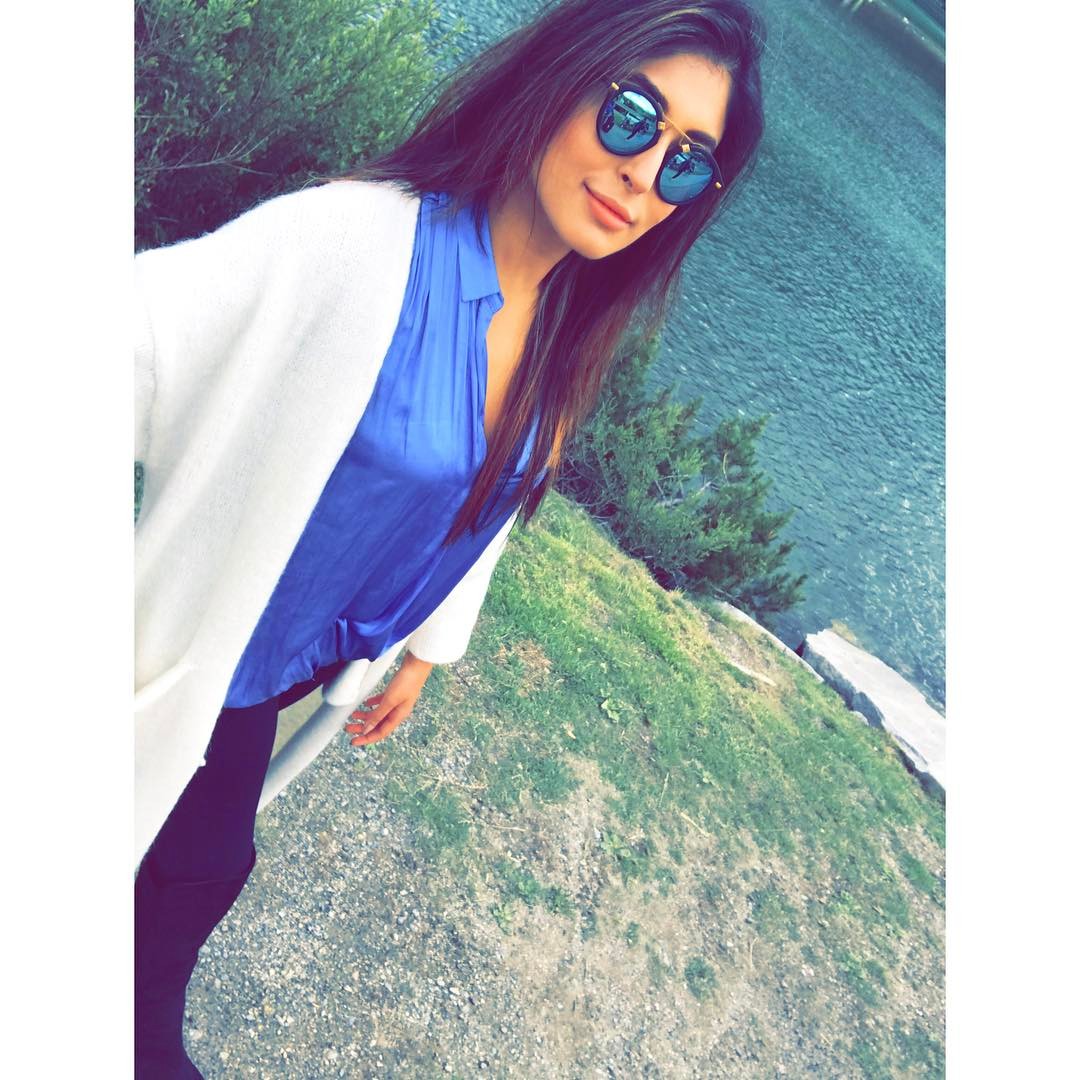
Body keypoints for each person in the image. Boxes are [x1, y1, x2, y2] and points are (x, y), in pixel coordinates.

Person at [133, 0, 767, 1075]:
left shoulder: (565, 326)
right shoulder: (354, 242)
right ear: (559, 80)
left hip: (289, 667)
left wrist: (429, 642)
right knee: (186, 890)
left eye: (685, 162)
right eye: (630, 115)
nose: (641, 172)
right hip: (196, 673)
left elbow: (482, 491)